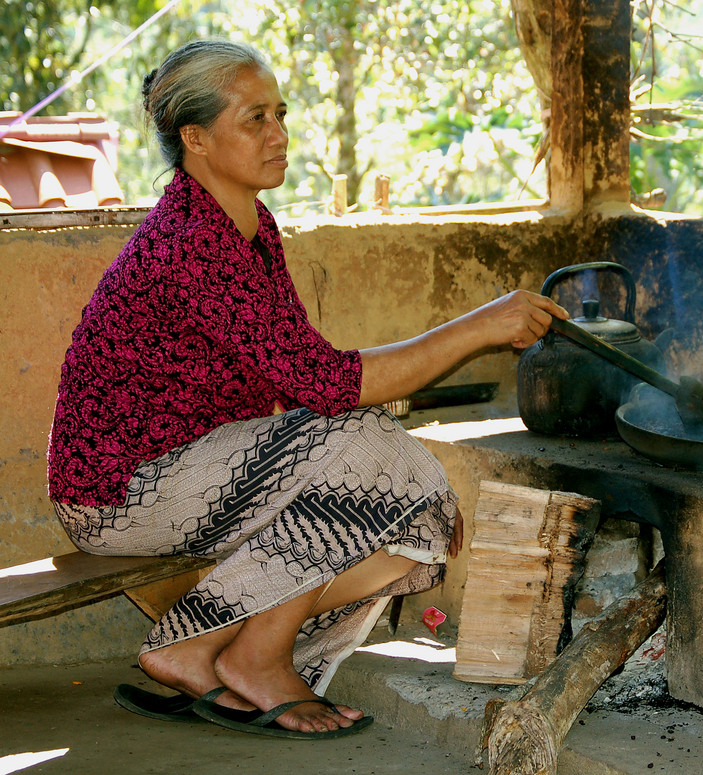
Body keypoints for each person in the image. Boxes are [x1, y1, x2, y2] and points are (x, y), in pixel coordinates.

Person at [46, 39, 566, 739]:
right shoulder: (190, 243)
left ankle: (204, 647)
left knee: (418, 523)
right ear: (195, 139)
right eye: (255, 118)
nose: (279, 134)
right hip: (119, 491)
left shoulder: (251, 227)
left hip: (199, 467)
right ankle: (255, 657)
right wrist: (480, 325)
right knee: (375, 449)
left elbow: (306, 382)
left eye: (280, 114)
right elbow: (327, 383)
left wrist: (412, 477)